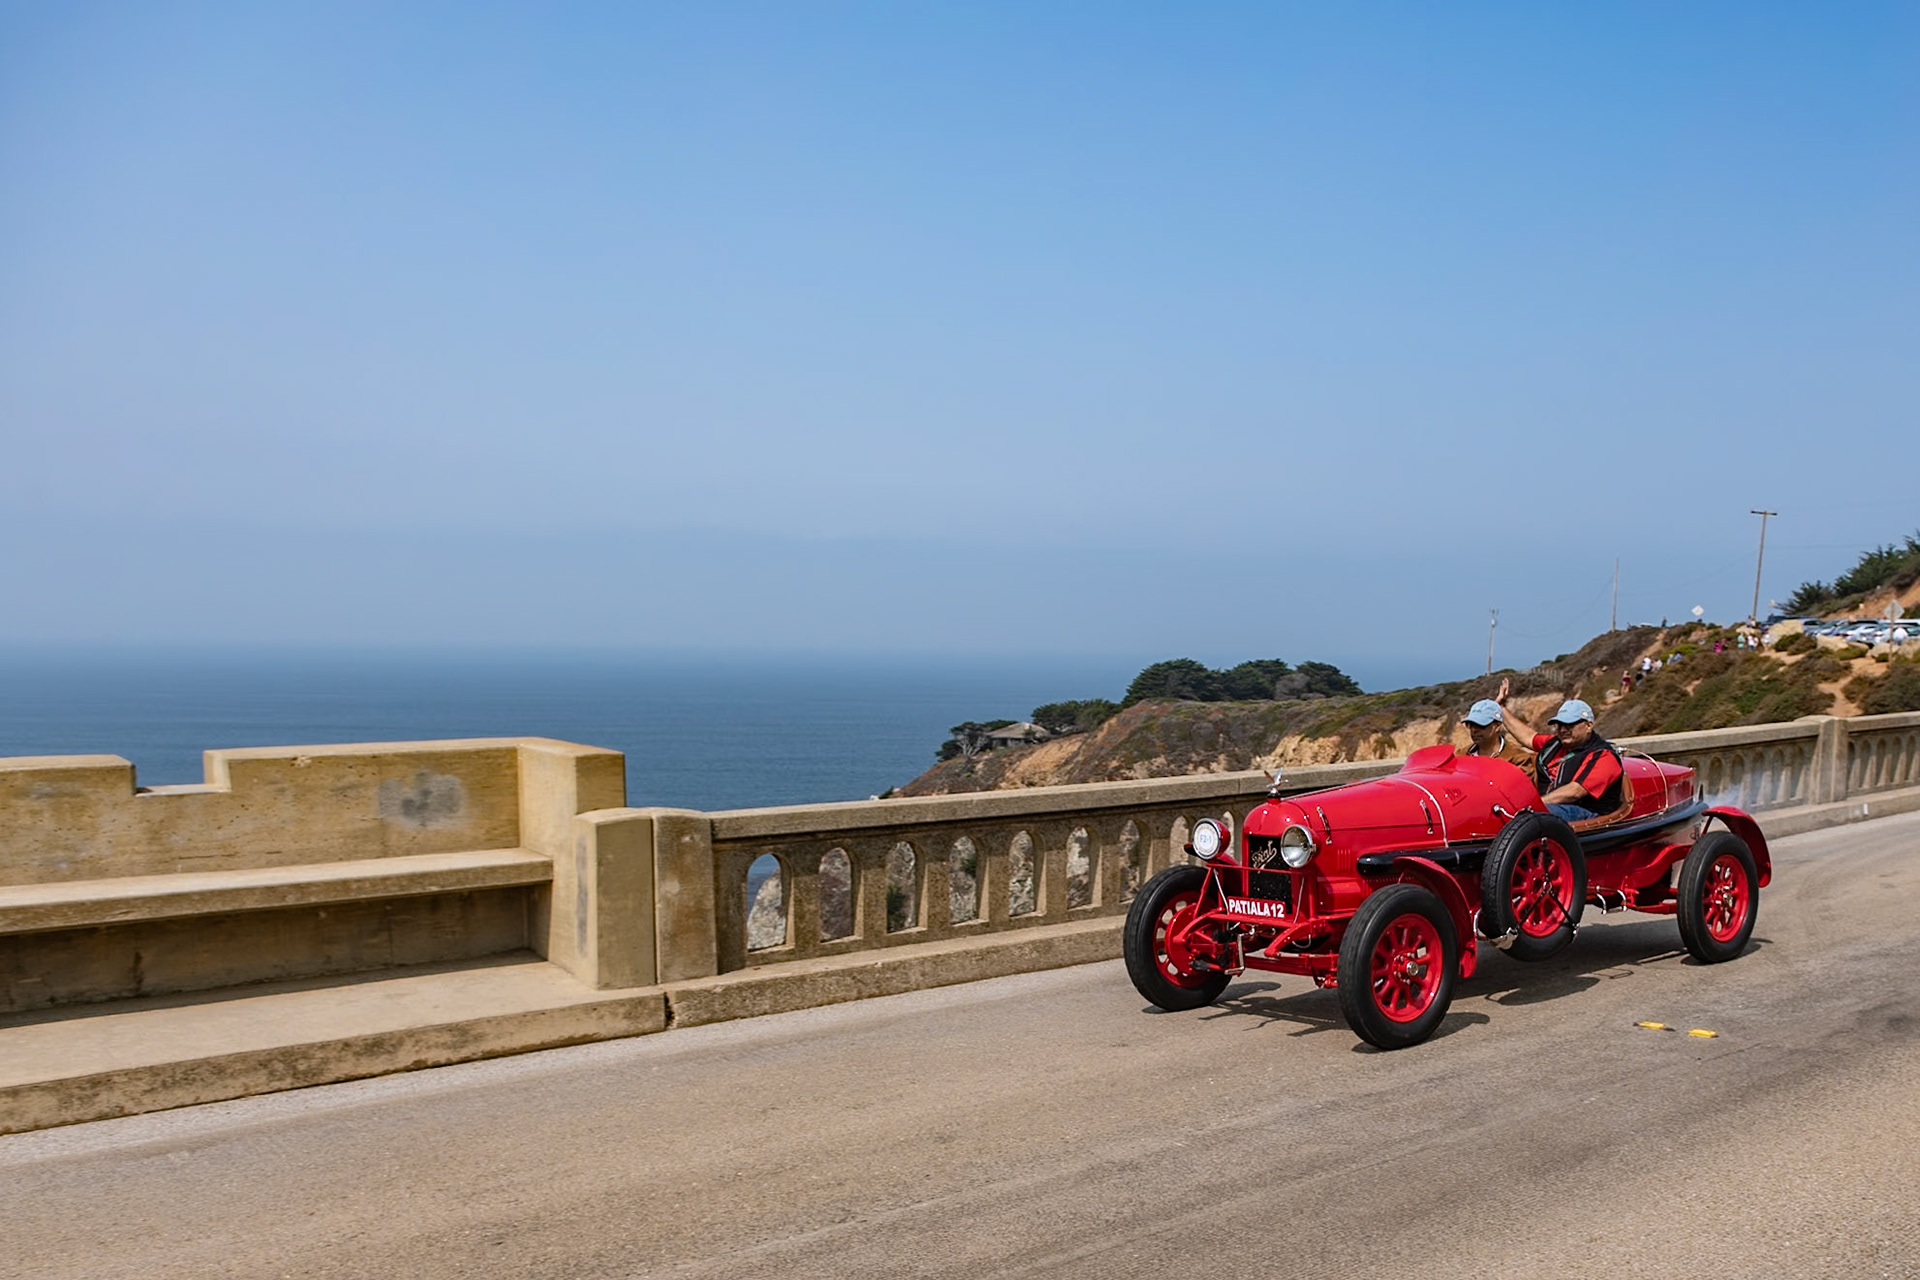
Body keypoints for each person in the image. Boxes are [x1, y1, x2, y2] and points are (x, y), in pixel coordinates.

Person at [1495, 678, 1625, 822]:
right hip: (1552, 807)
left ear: (1588, 726)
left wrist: (1534, 804)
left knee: (1535, 814)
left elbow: (1575, 792)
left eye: (1570, 725)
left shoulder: (1603, 756)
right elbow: (1527, 737)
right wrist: (1501, 708)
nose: (1563, 729)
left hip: (1586, 813)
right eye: (1559, 725)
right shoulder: (1555, 743)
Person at [1462, 698, 1539, 786]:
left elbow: (1522, 792)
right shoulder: (1460, 756)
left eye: (1480, 725)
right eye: (1470, 725)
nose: (1474, 730)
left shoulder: (1518, 759)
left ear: (1497, 726)